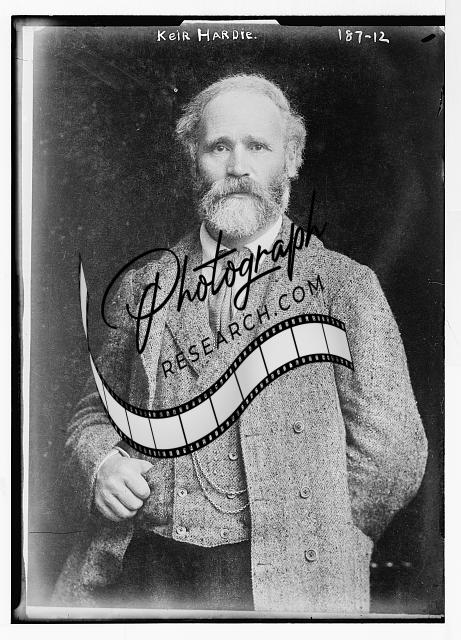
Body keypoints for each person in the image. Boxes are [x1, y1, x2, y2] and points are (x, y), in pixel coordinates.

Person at [54, 74, 428, 614]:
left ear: (291, 160)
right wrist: (101, 463)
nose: (238, 167)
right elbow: (96, 411)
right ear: (194, 160)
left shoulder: (345, 286)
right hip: (147, 569)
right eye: (219, 147)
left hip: (286, 579)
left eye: (258, 146)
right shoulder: (143, 286)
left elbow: (393, 451)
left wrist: (320, 530)